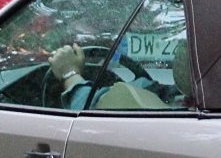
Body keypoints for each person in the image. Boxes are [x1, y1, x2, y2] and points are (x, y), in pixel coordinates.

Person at [47, 41, 190, 110]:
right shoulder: (191, 97)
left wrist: (69, 74)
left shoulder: (179, 112)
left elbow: (91, 114)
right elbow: (156, 90)